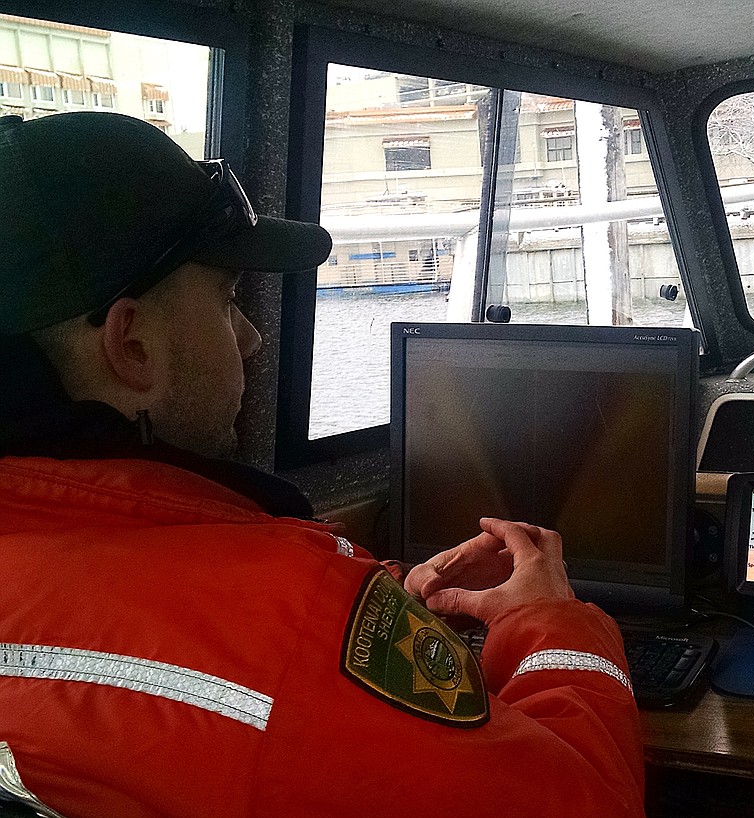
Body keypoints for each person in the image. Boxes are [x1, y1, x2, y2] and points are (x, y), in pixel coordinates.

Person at [0, 112, 644, 818]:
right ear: (133, 346)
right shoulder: (281, 624)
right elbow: (591, 804)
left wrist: (390, 599)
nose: (248, 340)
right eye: (227, 301)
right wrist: (553, 624)